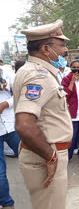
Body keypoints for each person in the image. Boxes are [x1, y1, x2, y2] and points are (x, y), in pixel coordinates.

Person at [13, 19, 73, 209]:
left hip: (42, 153)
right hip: (44, 156)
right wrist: (50, 157)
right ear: (46, 49)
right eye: (62, 45)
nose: (65, 50)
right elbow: (24, 124)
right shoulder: (39, 76)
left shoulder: (31, 70)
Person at [0, 59, 20, 208]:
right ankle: (7, 203)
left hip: (12, 125)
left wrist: (6, 103)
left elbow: (19, 93)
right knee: (0, 171)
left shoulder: (6, 71)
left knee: (32, 157)